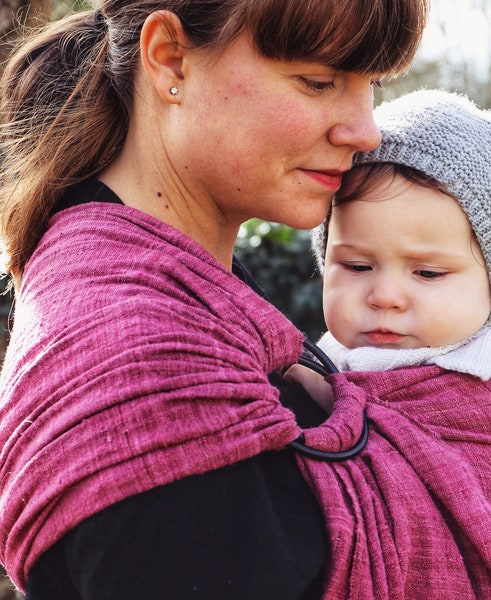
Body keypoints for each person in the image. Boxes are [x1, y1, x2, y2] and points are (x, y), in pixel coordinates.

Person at [0, 1, 430, 599]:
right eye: (319, 82)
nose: (365, 130)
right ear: (171, 60)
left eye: (372, 86)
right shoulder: (143, 362)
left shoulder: (198, 297)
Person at [286, 89, 491, 598]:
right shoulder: (328, 355)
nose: (385, 296)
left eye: (426, 272)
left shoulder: (477, 377)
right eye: (356, 266)